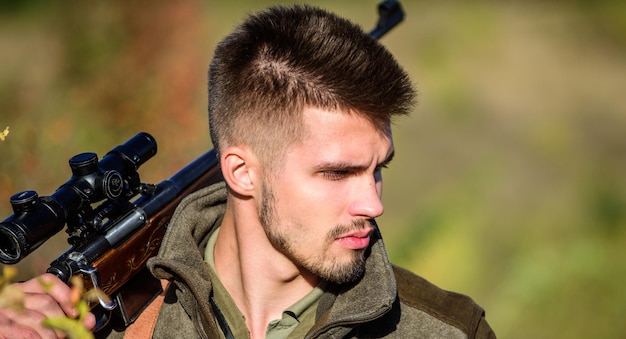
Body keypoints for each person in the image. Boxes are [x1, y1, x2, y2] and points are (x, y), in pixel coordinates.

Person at [0, 4, 496, 338]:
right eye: (337, 173)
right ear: (239, 172)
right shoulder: (99, 319)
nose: (374, 204)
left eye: (377, 169)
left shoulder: (446, 329)